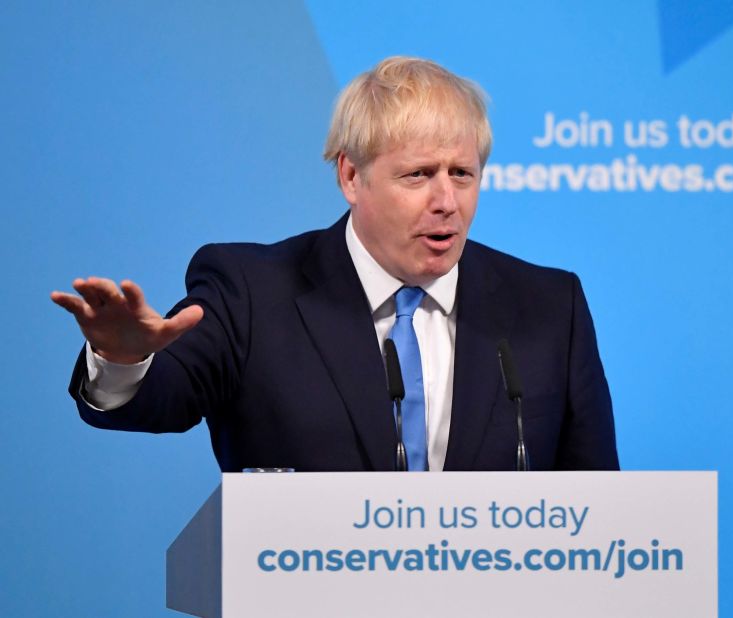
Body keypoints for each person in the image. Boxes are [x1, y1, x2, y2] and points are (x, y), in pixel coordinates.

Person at [51, 57, 619, 472]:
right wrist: (123, 359)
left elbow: (598, 507)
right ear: (351, 176)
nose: (447, 200)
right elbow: (165, 399)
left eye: (462, 174)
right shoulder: (253, 292)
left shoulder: (548, 307)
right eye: (419, 174)